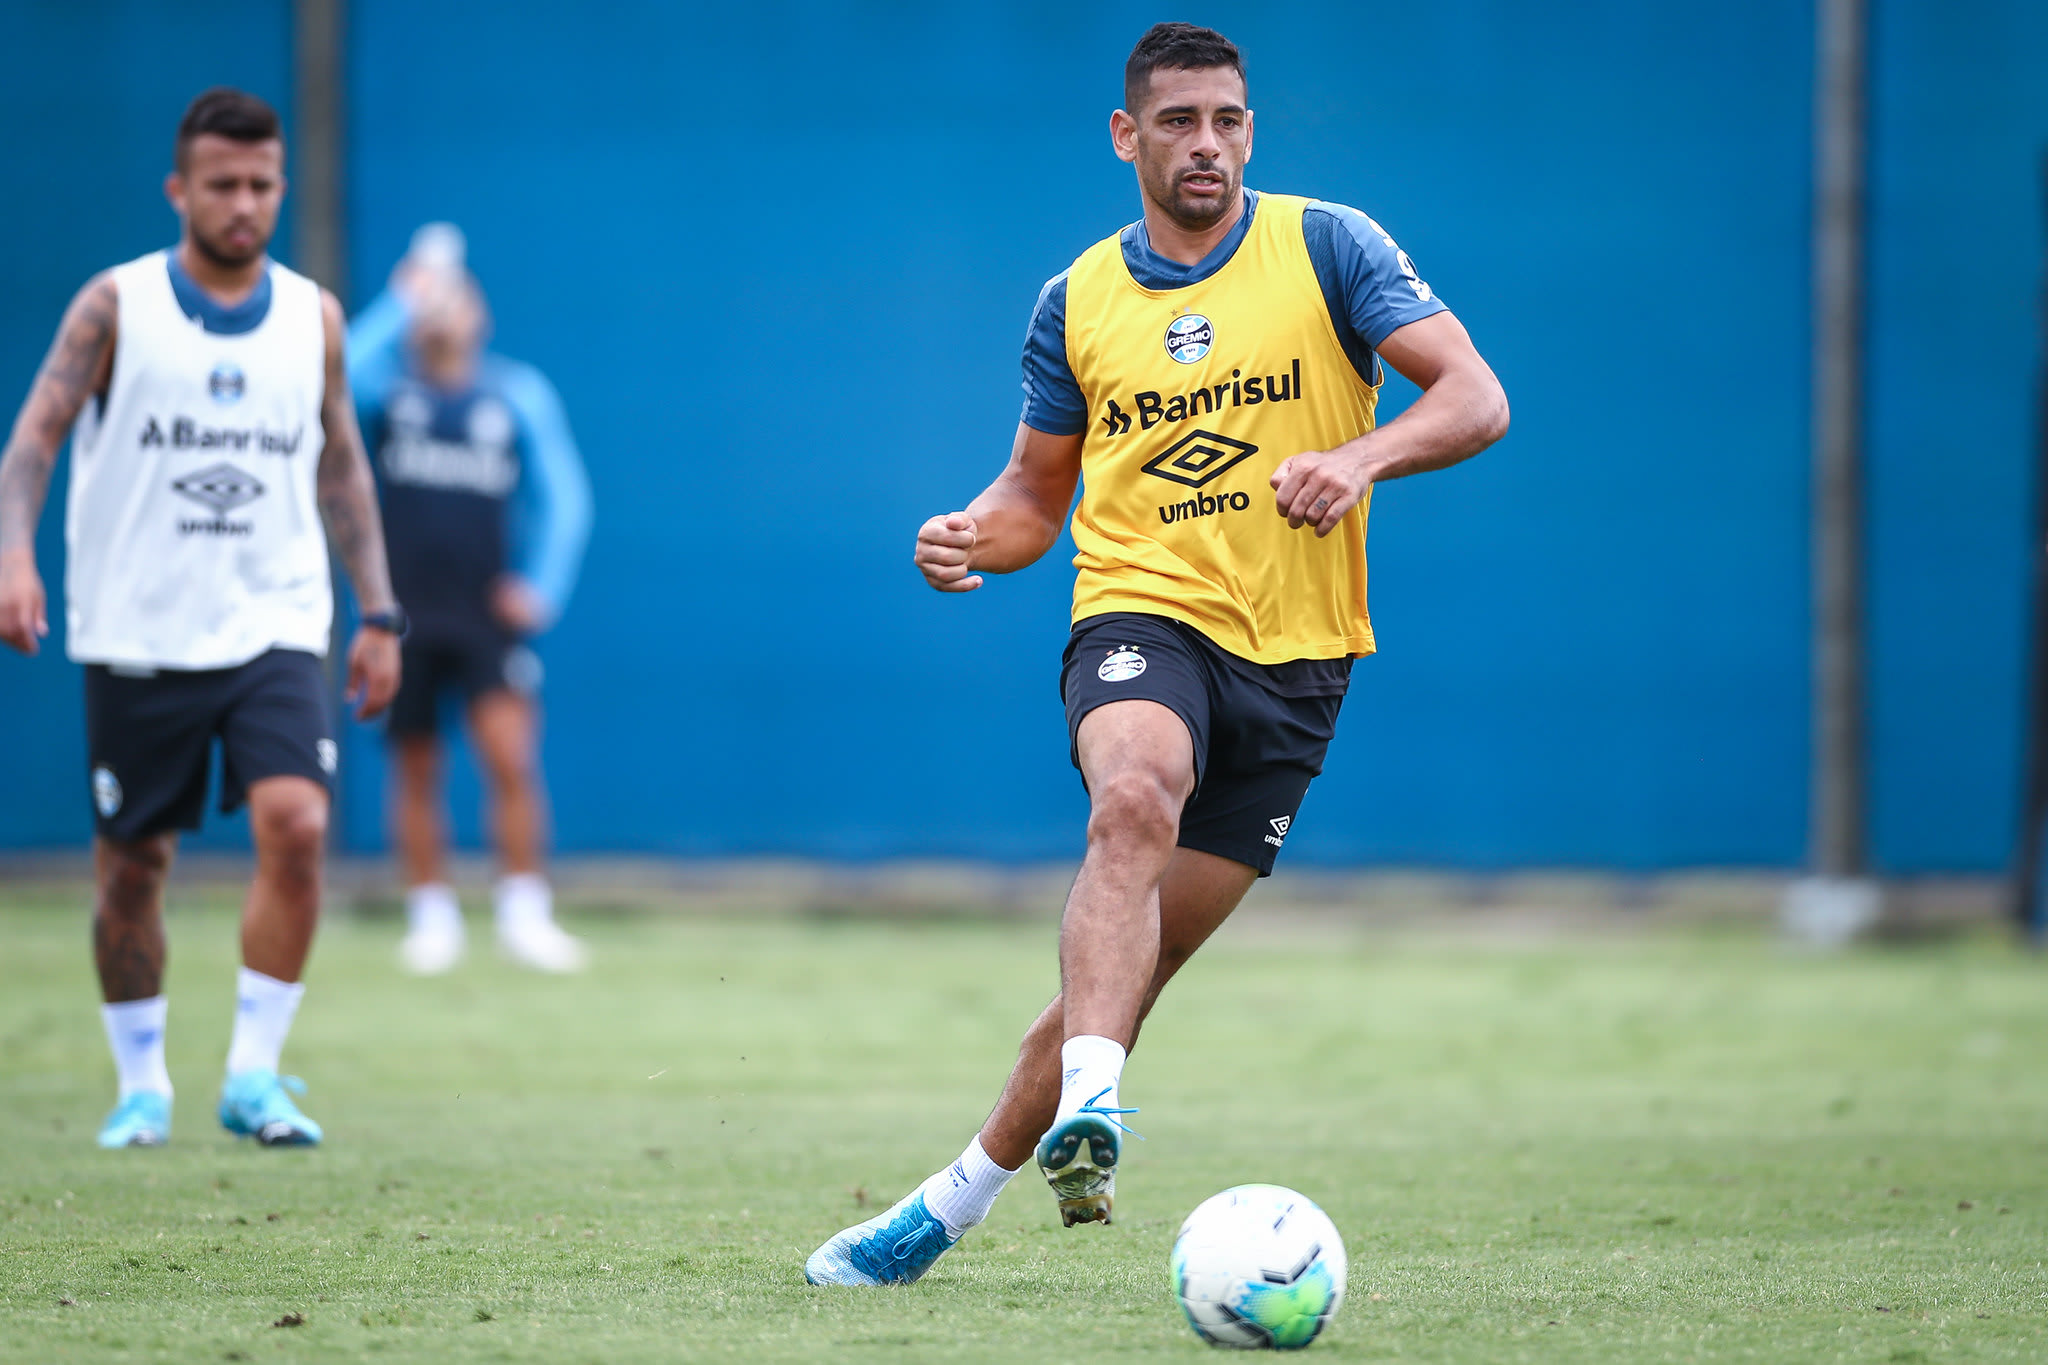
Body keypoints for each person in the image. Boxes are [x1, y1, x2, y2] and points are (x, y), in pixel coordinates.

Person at [805, 23, 1509, 1285]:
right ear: (1126, 136)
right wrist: (973, 533)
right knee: (1130, 798)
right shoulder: (1075, 297)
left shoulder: (1327, 245)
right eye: (1179, 121)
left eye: (1227, 120)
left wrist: (1357, 457)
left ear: (1250, 130)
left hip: (1299, 667)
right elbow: (1035, 496)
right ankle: (1097, 1107)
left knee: (1128, 978)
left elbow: (1474, 397)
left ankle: (945, 1206)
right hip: (1137, 613)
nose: (1207, 146)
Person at [0, 88, 404, 1149]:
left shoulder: (312, 315)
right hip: (138, 627)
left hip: (272, 619)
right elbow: (34, 437)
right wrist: (12, 554)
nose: (244, 203)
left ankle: (254, 1075)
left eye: (262, 184)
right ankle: (142, 1085)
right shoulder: (115, 304)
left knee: (300, 823)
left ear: (279, 187)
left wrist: (379, 612)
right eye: (221, 184)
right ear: (180, 189)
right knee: (134, 864)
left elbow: (341, 461)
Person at [346, 228, 592, 975]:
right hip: (407, 613)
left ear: (482, 315)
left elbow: (566, 499)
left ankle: (525, 911)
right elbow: (341, 366)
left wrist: (542, 586)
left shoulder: (514, 393)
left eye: (459, 300)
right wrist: (402, 296)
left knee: (511, 756)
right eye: (435, 303)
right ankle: (431, 915)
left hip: (487, 616)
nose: (447, 313)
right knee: (415, 765)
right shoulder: (387, 391)